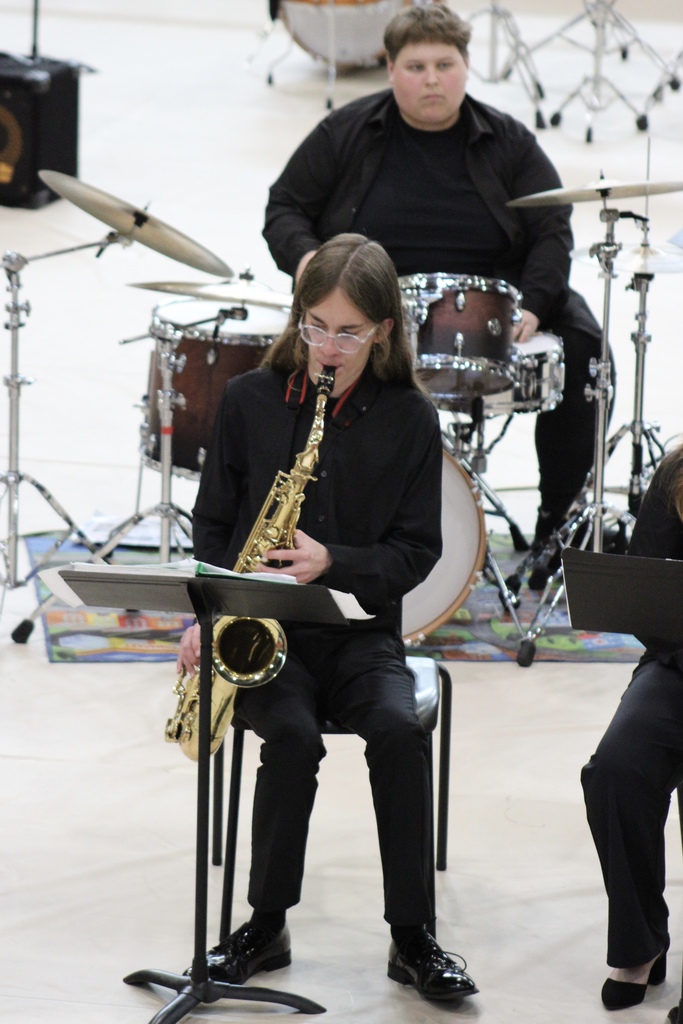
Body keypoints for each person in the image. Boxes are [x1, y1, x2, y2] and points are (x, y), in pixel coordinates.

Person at [177, 233, 478, 1001]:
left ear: (381, 331)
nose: (326, 347)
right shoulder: (248, 399)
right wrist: (206, 615)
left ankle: (411, 936)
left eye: (347, 331)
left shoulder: (409, 418)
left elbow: (415, 552)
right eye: (314, 325)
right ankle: (265, 923)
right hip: (262, 632)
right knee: (289, 736)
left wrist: (332, 561)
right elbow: (211, 527)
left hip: (360, 635)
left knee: (396, 730)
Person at [263, 2, 606, 550]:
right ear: (391, 68)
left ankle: (555, 524)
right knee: (293, 356)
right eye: (416, 67)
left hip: (490, 303)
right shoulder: (346, 131)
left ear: (466, 66)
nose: (432, 80)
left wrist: (537, 303)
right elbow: (284, 208)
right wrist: (313, 269)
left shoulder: (509, 141)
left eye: (444, 65)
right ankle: (306, 517)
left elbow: (552, 228)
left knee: (585, 342)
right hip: (368, 305)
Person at [581, 443, 683, 1010]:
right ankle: (641, 940)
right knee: (616, 771)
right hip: (679, 661)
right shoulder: (677, 470)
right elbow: (650, 597)